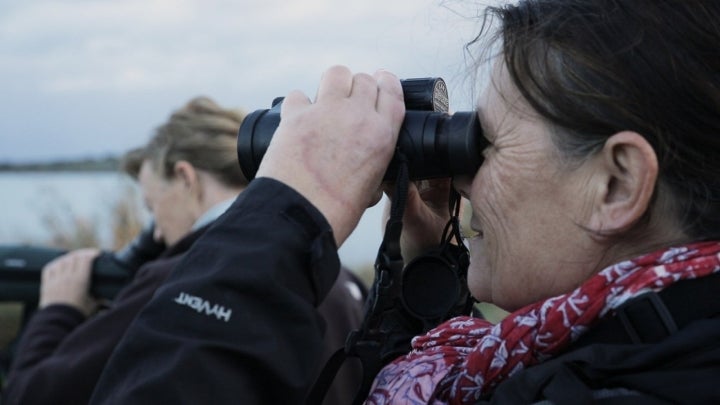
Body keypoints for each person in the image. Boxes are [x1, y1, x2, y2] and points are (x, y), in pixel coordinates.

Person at [91, 1, 720, 404]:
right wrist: (426, 263)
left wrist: (286, 212)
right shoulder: (660, 352)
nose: (464, 177)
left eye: (488, 145)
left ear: (614, 184)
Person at [2, 96, 366, 405]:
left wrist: (58, 311)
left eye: (151, 205)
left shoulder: (185, 278)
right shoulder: (339, 278)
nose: (157, 233)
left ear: (185, 178)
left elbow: (30, 395)